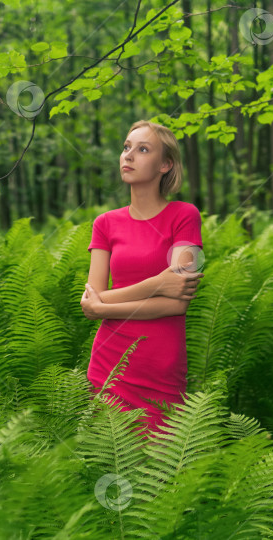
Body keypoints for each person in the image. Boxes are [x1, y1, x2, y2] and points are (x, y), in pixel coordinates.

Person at [80, 119, 204, 439]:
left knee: (164, 472)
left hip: (160, 365)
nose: (128, 155)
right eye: (126, 147)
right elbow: (90, 298)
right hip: (110, 363)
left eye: (142, 149)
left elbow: (176, 304)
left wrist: (103, 306)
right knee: (112, 460)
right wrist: (157, 284)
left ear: (165, 164)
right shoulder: (105, 224)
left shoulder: (184, 215)